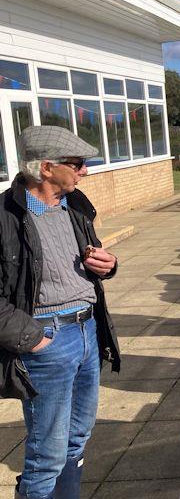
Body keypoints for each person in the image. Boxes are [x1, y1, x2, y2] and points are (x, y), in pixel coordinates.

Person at [0, 126, 120, 499]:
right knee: (47, 455)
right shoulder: (5, 217)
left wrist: (108, 264)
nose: (85, 170)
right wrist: (35, 339)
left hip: (88, 332)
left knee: (77, 440)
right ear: (47, 168)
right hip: (47, 340)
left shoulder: (76, 205)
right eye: (78, 163)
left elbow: (94, 259)